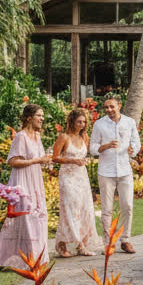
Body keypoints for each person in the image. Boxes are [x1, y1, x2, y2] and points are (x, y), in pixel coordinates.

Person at [0, 104, 51, 268]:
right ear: (29, 117)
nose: (42, 119)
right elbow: (13, 161)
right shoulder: (21, 136)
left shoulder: (37, 136)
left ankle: (37, 255)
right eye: (39, 115)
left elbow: (40, 157)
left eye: (42, 116)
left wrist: (46, 160)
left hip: (35, 180)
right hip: (22, 181)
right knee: (25, 217)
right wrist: (37, 161)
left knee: (38, 215)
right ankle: (21, 258)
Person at [89, 95, 141, 253]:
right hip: (106, 172)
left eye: (111, 106)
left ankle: (125, 240)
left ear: (119, 105)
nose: (109, 110)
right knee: (107, 209)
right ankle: (108, 241)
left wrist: (133, 150)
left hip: (125, 170)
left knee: (128, 206)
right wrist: (105, 146)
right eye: (106, 107)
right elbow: (92, 148)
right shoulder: (99, 124)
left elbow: (136, 142)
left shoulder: (129, 122)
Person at [51, 108, 99, 257]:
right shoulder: (64, 137)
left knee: (84, 209)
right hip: (68, 177)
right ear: (72, 121)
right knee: (69, 210)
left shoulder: (85, 137)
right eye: (79, 121)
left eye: (84, 122)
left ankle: (81, 245)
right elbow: (55, 157)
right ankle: (62, 244)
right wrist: (73, 160)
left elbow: (88, 154)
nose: (82, 124)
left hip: (82, 177)